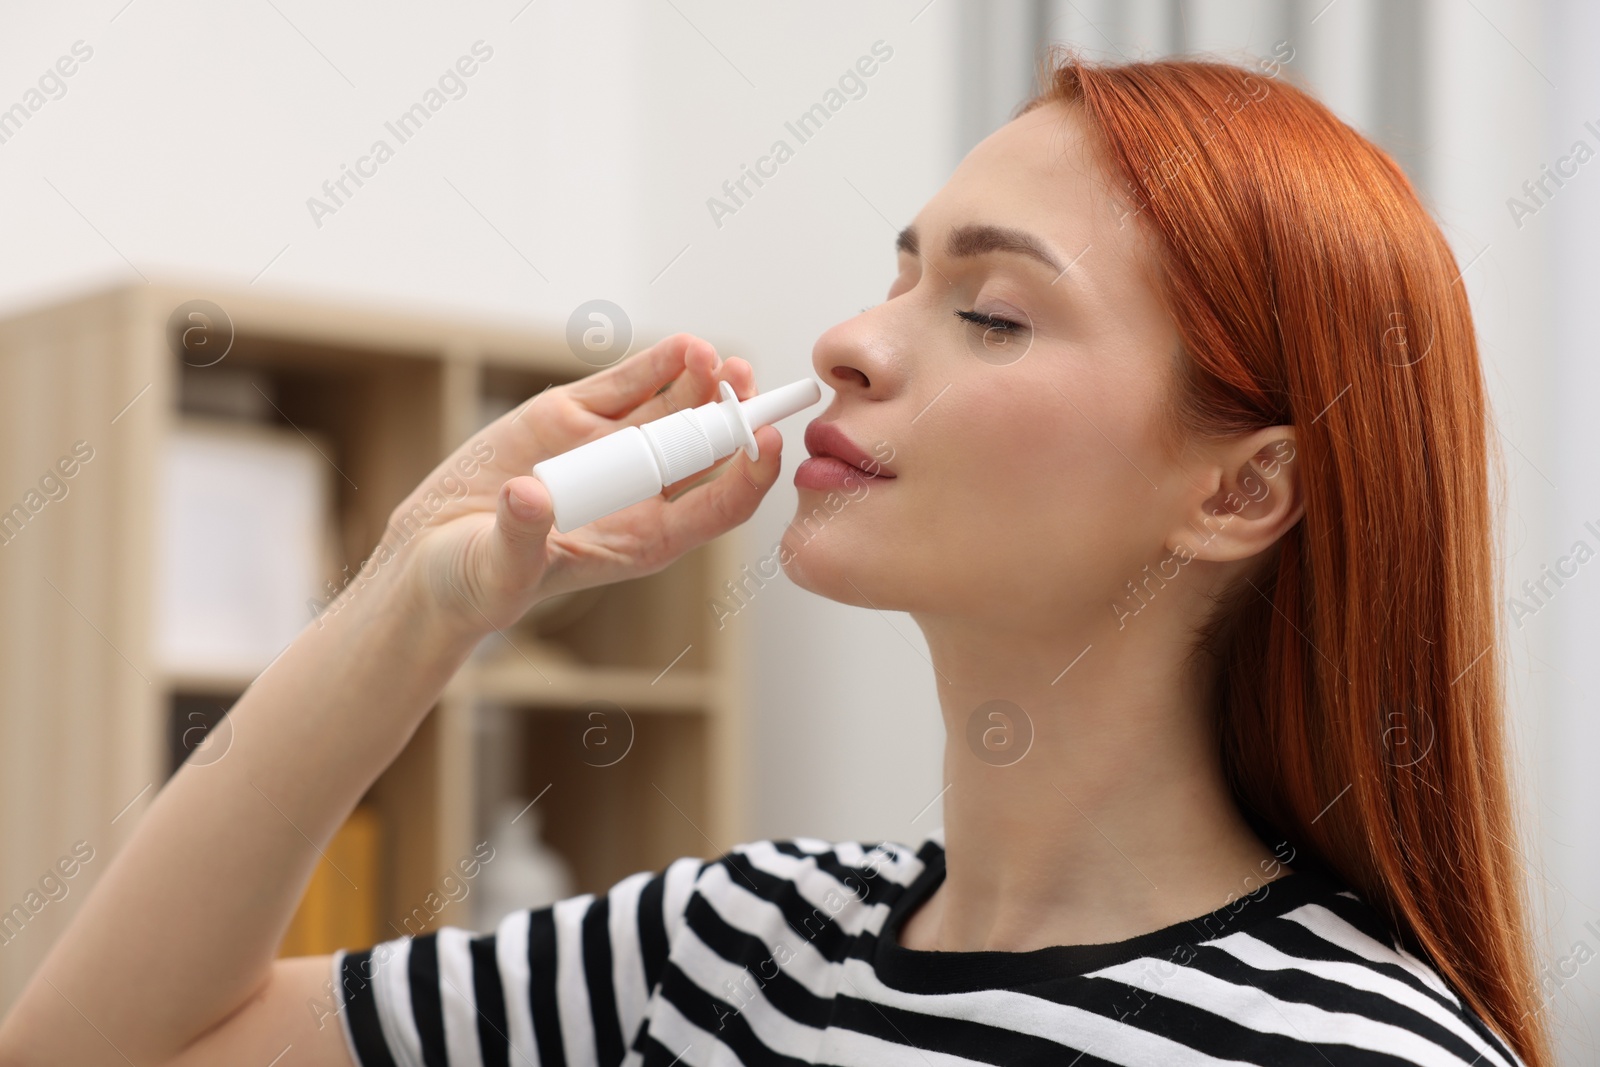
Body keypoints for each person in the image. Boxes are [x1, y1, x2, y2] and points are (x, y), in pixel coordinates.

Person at [0, 51, 1550, 1067]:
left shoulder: (1356, 1055)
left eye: (992, 312)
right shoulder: (727, 941)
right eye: (897, 272)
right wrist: (414, 591)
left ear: (1244, 489)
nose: (852, 341)